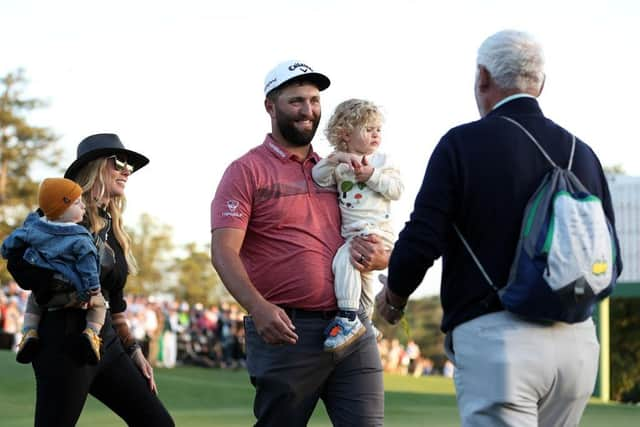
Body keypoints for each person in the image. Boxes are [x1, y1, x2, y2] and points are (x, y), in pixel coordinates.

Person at [375, 30, 622, 427]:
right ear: (540, 83)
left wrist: (395, 297)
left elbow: (422, 237)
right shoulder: (584, 153)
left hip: (499, 340)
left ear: (483, 77)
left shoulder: (462, 144)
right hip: (577, 345)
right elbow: (611, 258)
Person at [210, 60, 388, 426]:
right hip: (287, 331)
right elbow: (223, 251)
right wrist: (257, 308)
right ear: (270, 107)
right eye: (296, 101)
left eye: (313, 100)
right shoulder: (246, 170)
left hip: (352, 326)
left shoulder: (339, 171)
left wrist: (380, 256)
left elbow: (377, 233)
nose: (308, 110)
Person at [5, 133, 174, 426]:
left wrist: (134, 351)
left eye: (129, 167)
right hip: (64, 340)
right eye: (119, 163)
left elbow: (116, 303)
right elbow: (19, 265)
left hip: (105, 343)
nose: (126, 171)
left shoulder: (114, 228)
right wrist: (63, 284)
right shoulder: (62, 215)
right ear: (95, 167)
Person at [312, 98, 403, 351]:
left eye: (378, 129)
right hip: (352, 232)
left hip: (376, 233)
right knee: (363, 282)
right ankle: (365, 321)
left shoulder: (383, 162)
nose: (376, 134)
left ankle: (348, 317)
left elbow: (397, 190)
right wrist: (337, 158)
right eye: (368, 129)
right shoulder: (340, 165)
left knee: (345, 261)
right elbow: (318, 177)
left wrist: (372, 176)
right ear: (345, 133)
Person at [2, 178, 106, 365]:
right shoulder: (79, 237)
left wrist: (5, 250)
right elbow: (88, 263)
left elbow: (15, 239)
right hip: (73, 291)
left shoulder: (35, 227)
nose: (83, 205)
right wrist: (93, 288)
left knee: (33, 302)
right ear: (62, 208)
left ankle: (29, 332)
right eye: (77, 202)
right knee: (99, 305)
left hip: (47, 292)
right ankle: (92, 334)